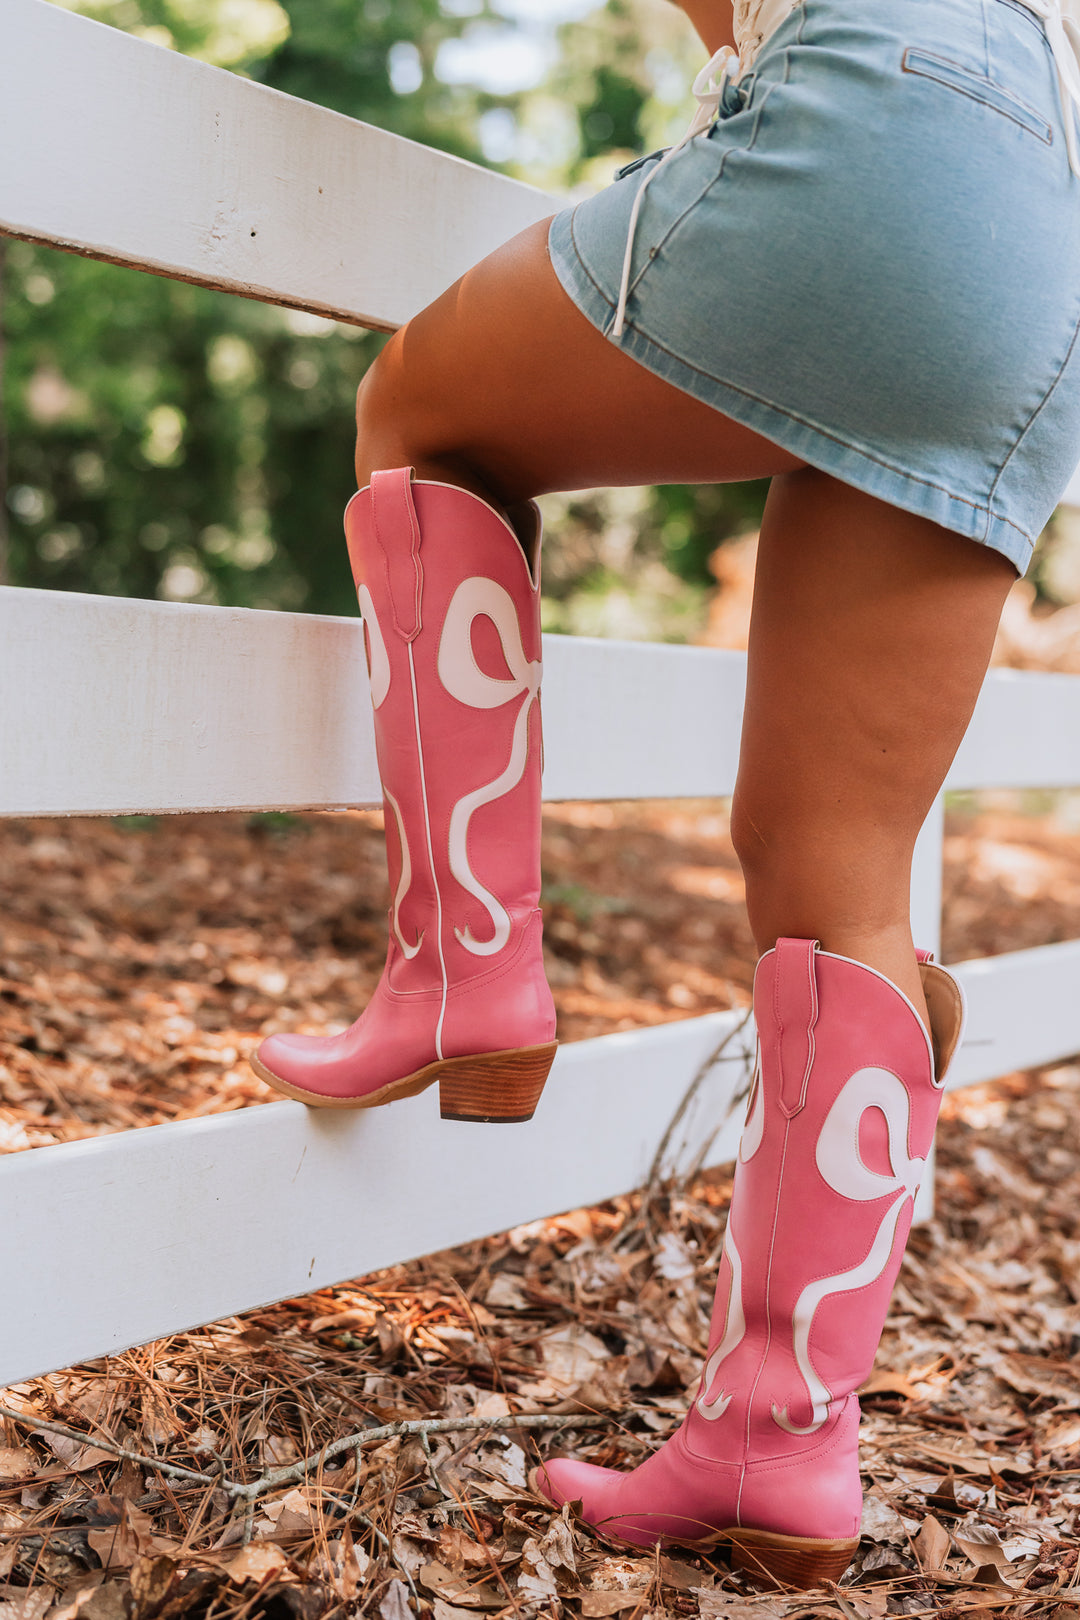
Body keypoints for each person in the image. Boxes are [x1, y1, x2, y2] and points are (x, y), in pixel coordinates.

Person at [250, 0, 1080, 1588]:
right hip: (1040, 239)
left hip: (880, 122)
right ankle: (780, 1433)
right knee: (835, 876)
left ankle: (463, 967)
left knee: (419, 412)